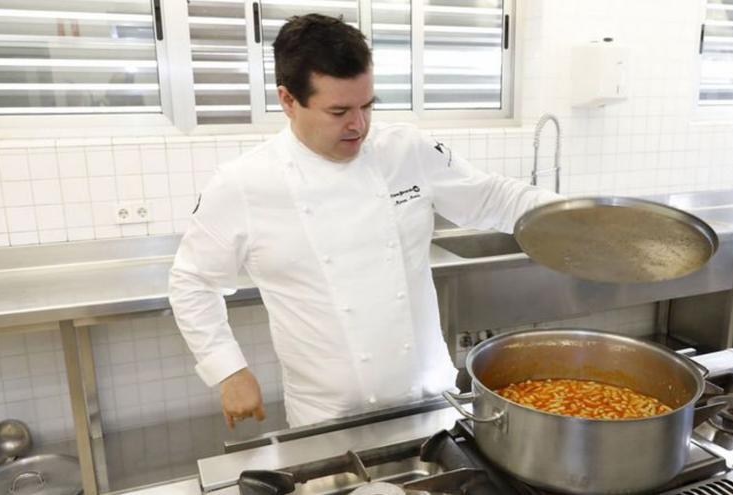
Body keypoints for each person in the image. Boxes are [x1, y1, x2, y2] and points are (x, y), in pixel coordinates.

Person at [168, 13, 562, 429]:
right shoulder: (243, 184)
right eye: (338, 111)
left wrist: (582, 219)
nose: (358, 125)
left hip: (432, 400)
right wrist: (227, 369)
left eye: (367, 105)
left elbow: (494, 197)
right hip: (328, 419)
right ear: (287, 100)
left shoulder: (406, 150)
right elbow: (192, 282)